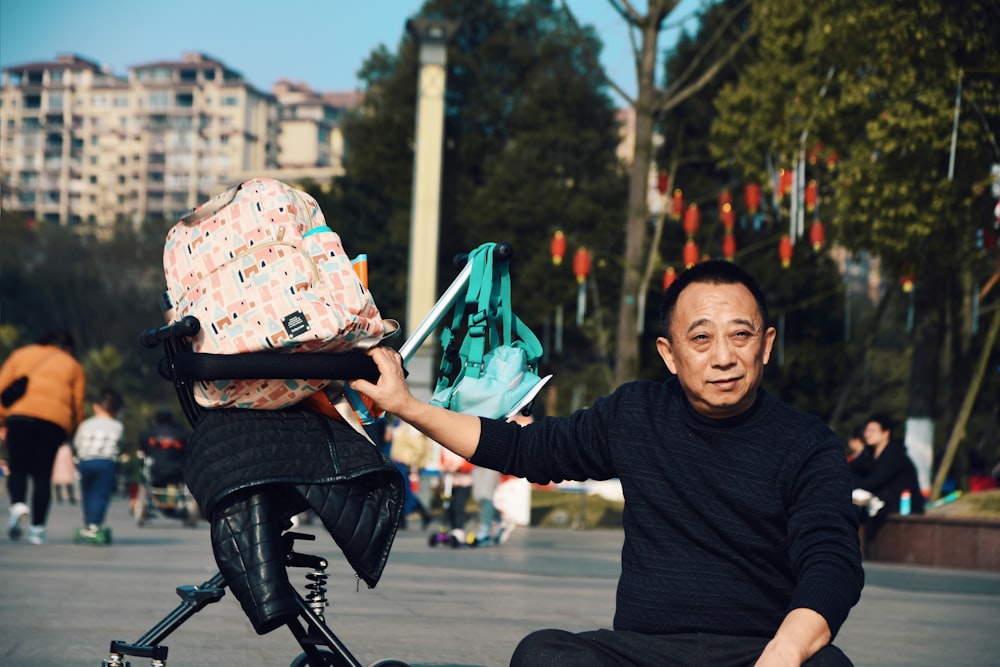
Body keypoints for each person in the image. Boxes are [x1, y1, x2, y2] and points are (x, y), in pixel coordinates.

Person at [353, 259, 863, 667]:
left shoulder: (808, 444)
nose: (724, 357)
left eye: (741, 335)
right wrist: (407, 406)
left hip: (757, 650)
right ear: (670, 353)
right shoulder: (636, 413)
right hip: (644, 652)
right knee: (545, 654)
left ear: (766, 344)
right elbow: (525, 448)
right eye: (701, 338)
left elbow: (832, 563)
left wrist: (784, 653)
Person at [1, 329, 86, 544]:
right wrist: (73, 430)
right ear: (69, 347)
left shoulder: (22, 354)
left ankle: (18, 504)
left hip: (19, 417)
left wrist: (2, 419)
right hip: (53, 424)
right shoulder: (72, 365)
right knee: (42, 475)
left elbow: (2, 386)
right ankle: (37, 530)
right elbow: (77, 404)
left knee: (17, 466)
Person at [850, 413, 924, 545]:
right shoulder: (869, 453)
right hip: (880, 503)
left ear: (885, 433)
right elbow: (849, 470)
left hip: (902, 505)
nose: (867, 434)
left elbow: (872, 483)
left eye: (872, 430)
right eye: (866, 430)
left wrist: (851, 484)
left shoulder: (894, 455)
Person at [73, 387, 125, 542]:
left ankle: (88, 523)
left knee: (87, 492)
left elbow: (77, 442)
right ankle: (95, 524)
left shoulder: (86, 424)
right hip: (106, 462)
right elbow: (119, 443)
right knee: (101, 494)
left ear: (95, 406)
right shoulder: (118, 426)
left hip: (86, 461)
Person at [387, 418, 434, 529]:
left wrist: (412, 462)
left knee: (404, 491)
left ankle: (421, 513)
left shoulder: (412, 427)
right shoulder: (400, 424)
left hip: (406, 463)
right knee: (400, 490)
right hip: (398, 461)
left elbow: (419, 447)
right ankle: (403, 518)